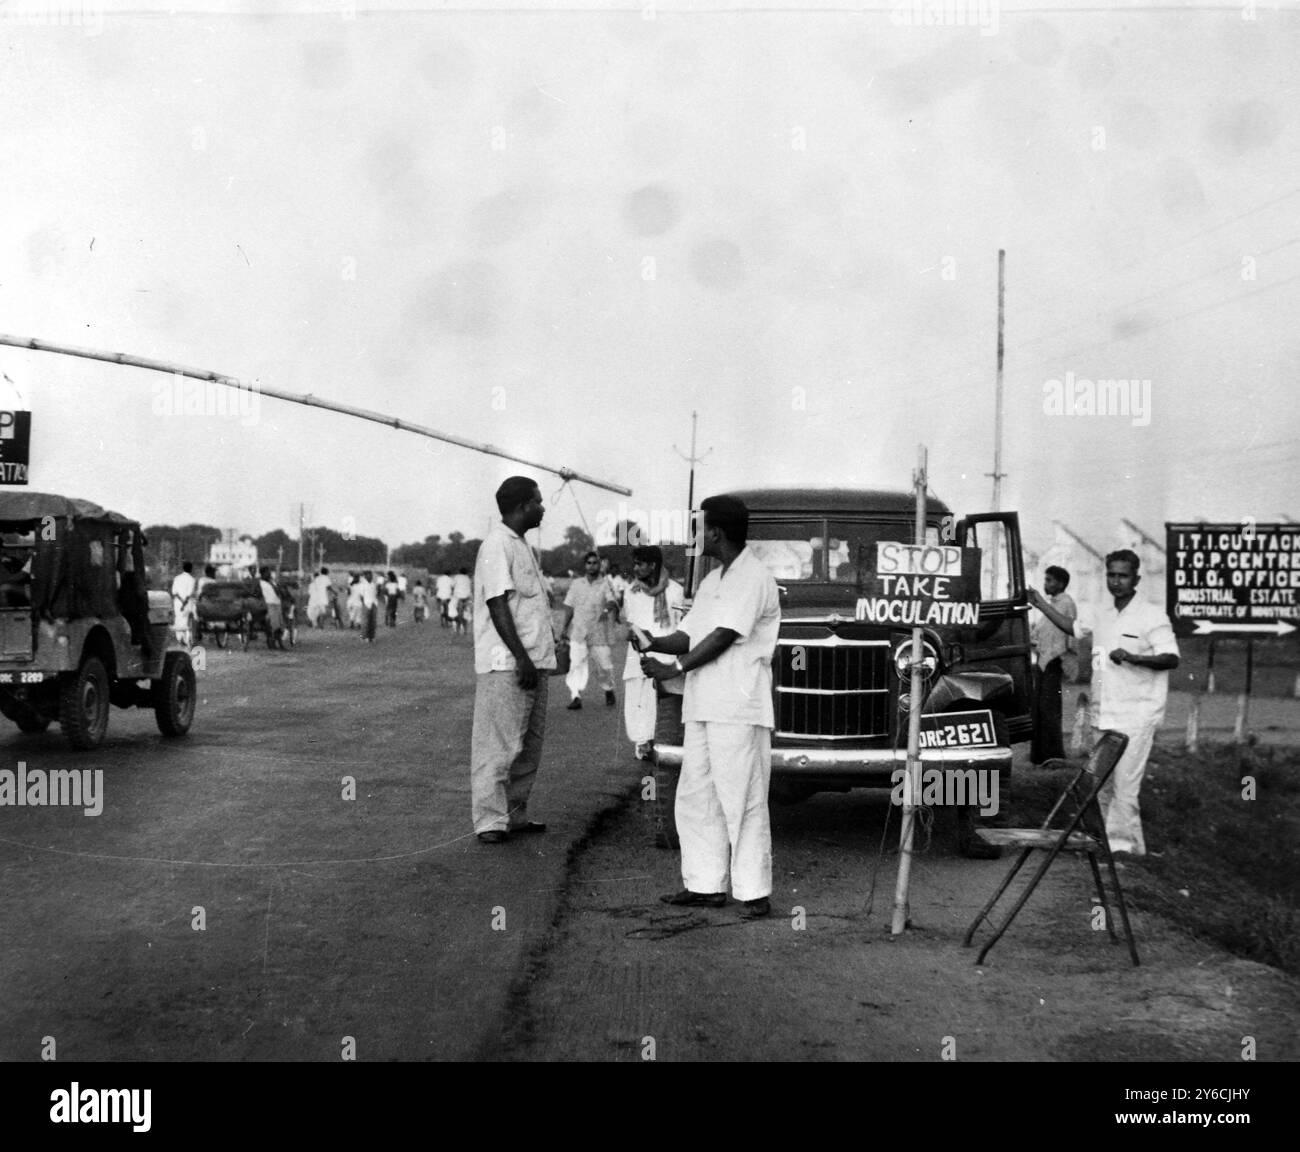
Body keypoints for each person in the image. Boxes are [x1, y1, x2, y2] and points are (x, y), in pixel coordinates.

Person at [639, 495, 781, 918]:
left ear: (716, 532)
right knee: (696, 794)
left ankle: (754, 892)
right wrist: (654, 642)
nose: (695, 536)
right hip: (702, 704)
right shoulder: (713, 580)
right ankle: (704, 884)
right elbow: (689, 634)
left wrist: (673, 669)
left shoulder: (754, 576)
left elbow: (722, 636)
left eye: (699, 528)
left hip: (737, 705)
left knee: (743, 797)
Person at [1029, 549, 1179, 858]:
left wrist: (1134, 657)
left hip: (1137, 714)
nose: (1116, 581)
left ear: (1136, 578)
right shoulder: (1101, 611)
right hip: (1103, 712)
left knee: (1126, 784)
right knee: (1103, 784)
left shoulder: (1151, 615)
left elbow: (1170, 657)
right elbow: (1073, 628)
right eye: (1111, 574)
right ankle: (1121, 845)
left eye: (1123, 575)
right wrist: (1039, 603)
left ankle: (1120, 849)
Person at [469, 475, 556, 844]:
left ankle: (514, 815)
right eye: (538, 501)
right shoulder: (496, 545)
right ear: (522, 506)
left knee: (527, 748)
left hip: (534, 662)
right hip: (508, 664)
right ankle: (490, 820)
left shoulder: (521, 546)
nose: (543, 507)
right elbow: (497, 604)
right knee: (498, 746)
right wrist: (521, 658)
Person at [620, 545, 686, 847]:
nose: (637, 569)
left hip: (667, 658)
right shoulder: (631, 592)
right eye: (634, 564)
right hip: (639, 658)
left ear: (655, 565)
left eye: (642, 564)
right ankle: (646, 745)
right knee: (639, 706)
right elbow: (628, 622)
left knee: (667, 707)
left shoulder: (675, 591)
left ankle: (660, 746)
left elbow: (680, 627)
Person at [1029, 564, 1077, 765]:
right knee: (1039, 709)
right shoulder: (1053, 604)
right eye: (1046, 579)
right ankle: (1040, 756)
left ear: (1061, 583)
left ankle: (1053, 755)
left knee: (1049, 710)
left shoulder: (1065, 603)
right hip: (1042, 661)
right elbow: (1041, 632)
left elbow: (1062, 633)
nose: (1046, 584)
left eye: (1049, 580)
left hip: (1053, 661)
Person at [560, 551, 619, 710]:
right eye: (589, 563)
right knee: (576, 665)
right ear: (585, 565)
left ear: (599, 565)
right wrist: (564, 628)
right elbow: (569, 607)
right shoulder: (577, 584)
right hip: (579, 632)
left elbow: (612, 602)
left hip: (599, 633)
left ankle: (608, 689)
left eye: (595, 563)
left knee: (604, 666)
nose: (592, 566)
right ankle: (575, 696)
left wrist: (607, 610)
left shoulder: (605, 584)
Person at [258, 566, 285, 648]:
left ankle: (277, 643)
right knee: (275, 625)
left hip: (277, 604)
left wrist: (273, 583)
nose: (269, 574)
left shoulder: (272, 582)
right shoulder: (260, 583)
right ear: (263, 574)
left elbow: (278, 591)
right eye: (268, 572)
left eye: (269, 572)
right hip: (269, 605)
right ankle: (278, 644)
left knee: (279, 625)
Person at [171, 561, 197, 645]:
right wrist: (184, 603)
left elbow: (174, 592)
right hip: (187, 603)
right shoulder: (192, 579)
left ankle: (180, 638)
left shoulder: (177, 578)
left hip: (177, 602)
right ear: (191, 569)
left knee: (178, 618)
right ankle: (188, 638)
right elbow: (189, 594)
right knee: (187, 620)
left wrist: (181, 601)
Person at [357, 569, 378, 642]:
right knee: (365, 622)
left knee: (373, 621)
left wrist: (374, 603)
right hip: (366, 604)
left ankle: (372, 637)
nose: (371, 576)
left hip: (374, 604)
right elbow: (361, 596)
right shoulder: (362, 584)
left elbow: (375, 594)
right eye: (369, 575)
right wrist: (364, 604)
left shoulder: (373, 584)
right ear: (365, 576)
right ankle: (364, 637)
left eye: (371, 575)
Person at [453, 567, 473, 635]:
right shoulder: (468, 578)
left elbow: (453, 586)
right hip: (467, 598)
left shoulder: (457, 577)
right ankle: (465, 630)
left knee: (459, 614)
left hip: (459, 598)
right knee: (465, 614)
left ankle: (458, 629)